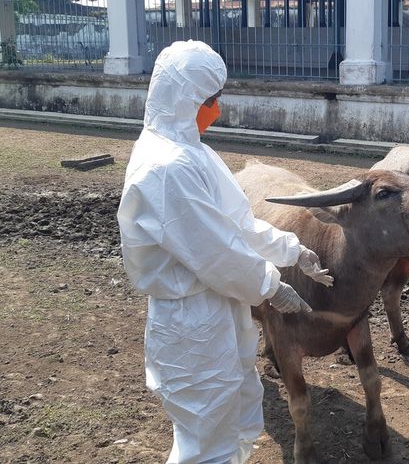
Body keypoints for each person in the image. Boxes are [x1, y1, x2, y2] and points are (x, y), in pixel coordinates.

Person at [117, 40, 334, 464]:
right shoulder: (167, 168)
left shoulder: (193, 153)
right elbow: (217, 254)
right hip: (191, 321)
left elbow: (236, 224)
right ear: (188, 99)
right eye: (211, 100)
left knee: (226, 419)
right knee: (205, 439)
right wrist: (272, 285)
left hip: (214, 312)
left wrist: (292, 250)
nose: (217, 109)